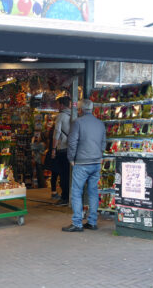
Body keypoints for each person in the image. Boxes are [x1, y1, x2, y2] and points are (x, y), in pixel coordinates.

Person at [62, 99, 106, 232]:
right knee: (93, 192)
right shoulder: (100, 124)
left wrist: (71, 158)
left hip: (82, 162)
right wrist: (99, 155)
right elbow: (103, 143)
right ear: (92, 109)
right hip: (96, 162)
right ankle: (92, 222)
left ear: (80, 110)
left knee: (76, 192)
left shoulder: (78, 123)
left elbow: (72, 142)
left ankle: (77, 223)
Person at [52, 96, 71, 206]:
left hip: (63, 149)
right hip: (72, 148)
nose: (57, 107)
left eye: (58, 104)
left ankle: (64, 198)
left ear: (62, 105)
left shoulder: (60, 116)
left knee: (63, 174)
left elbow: (57, 133)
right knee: (69, 174)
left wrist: (53, 149)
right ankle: (69, 196)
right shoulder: (74, 115)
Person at [44, 125, 60, 199]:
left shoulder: (51, 131)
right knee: (61, 174)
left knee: (54, 174)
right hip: (57, 154)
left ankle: (53, 192)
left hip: (52, 154)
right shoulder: (57, 132)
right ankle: (61, 193)